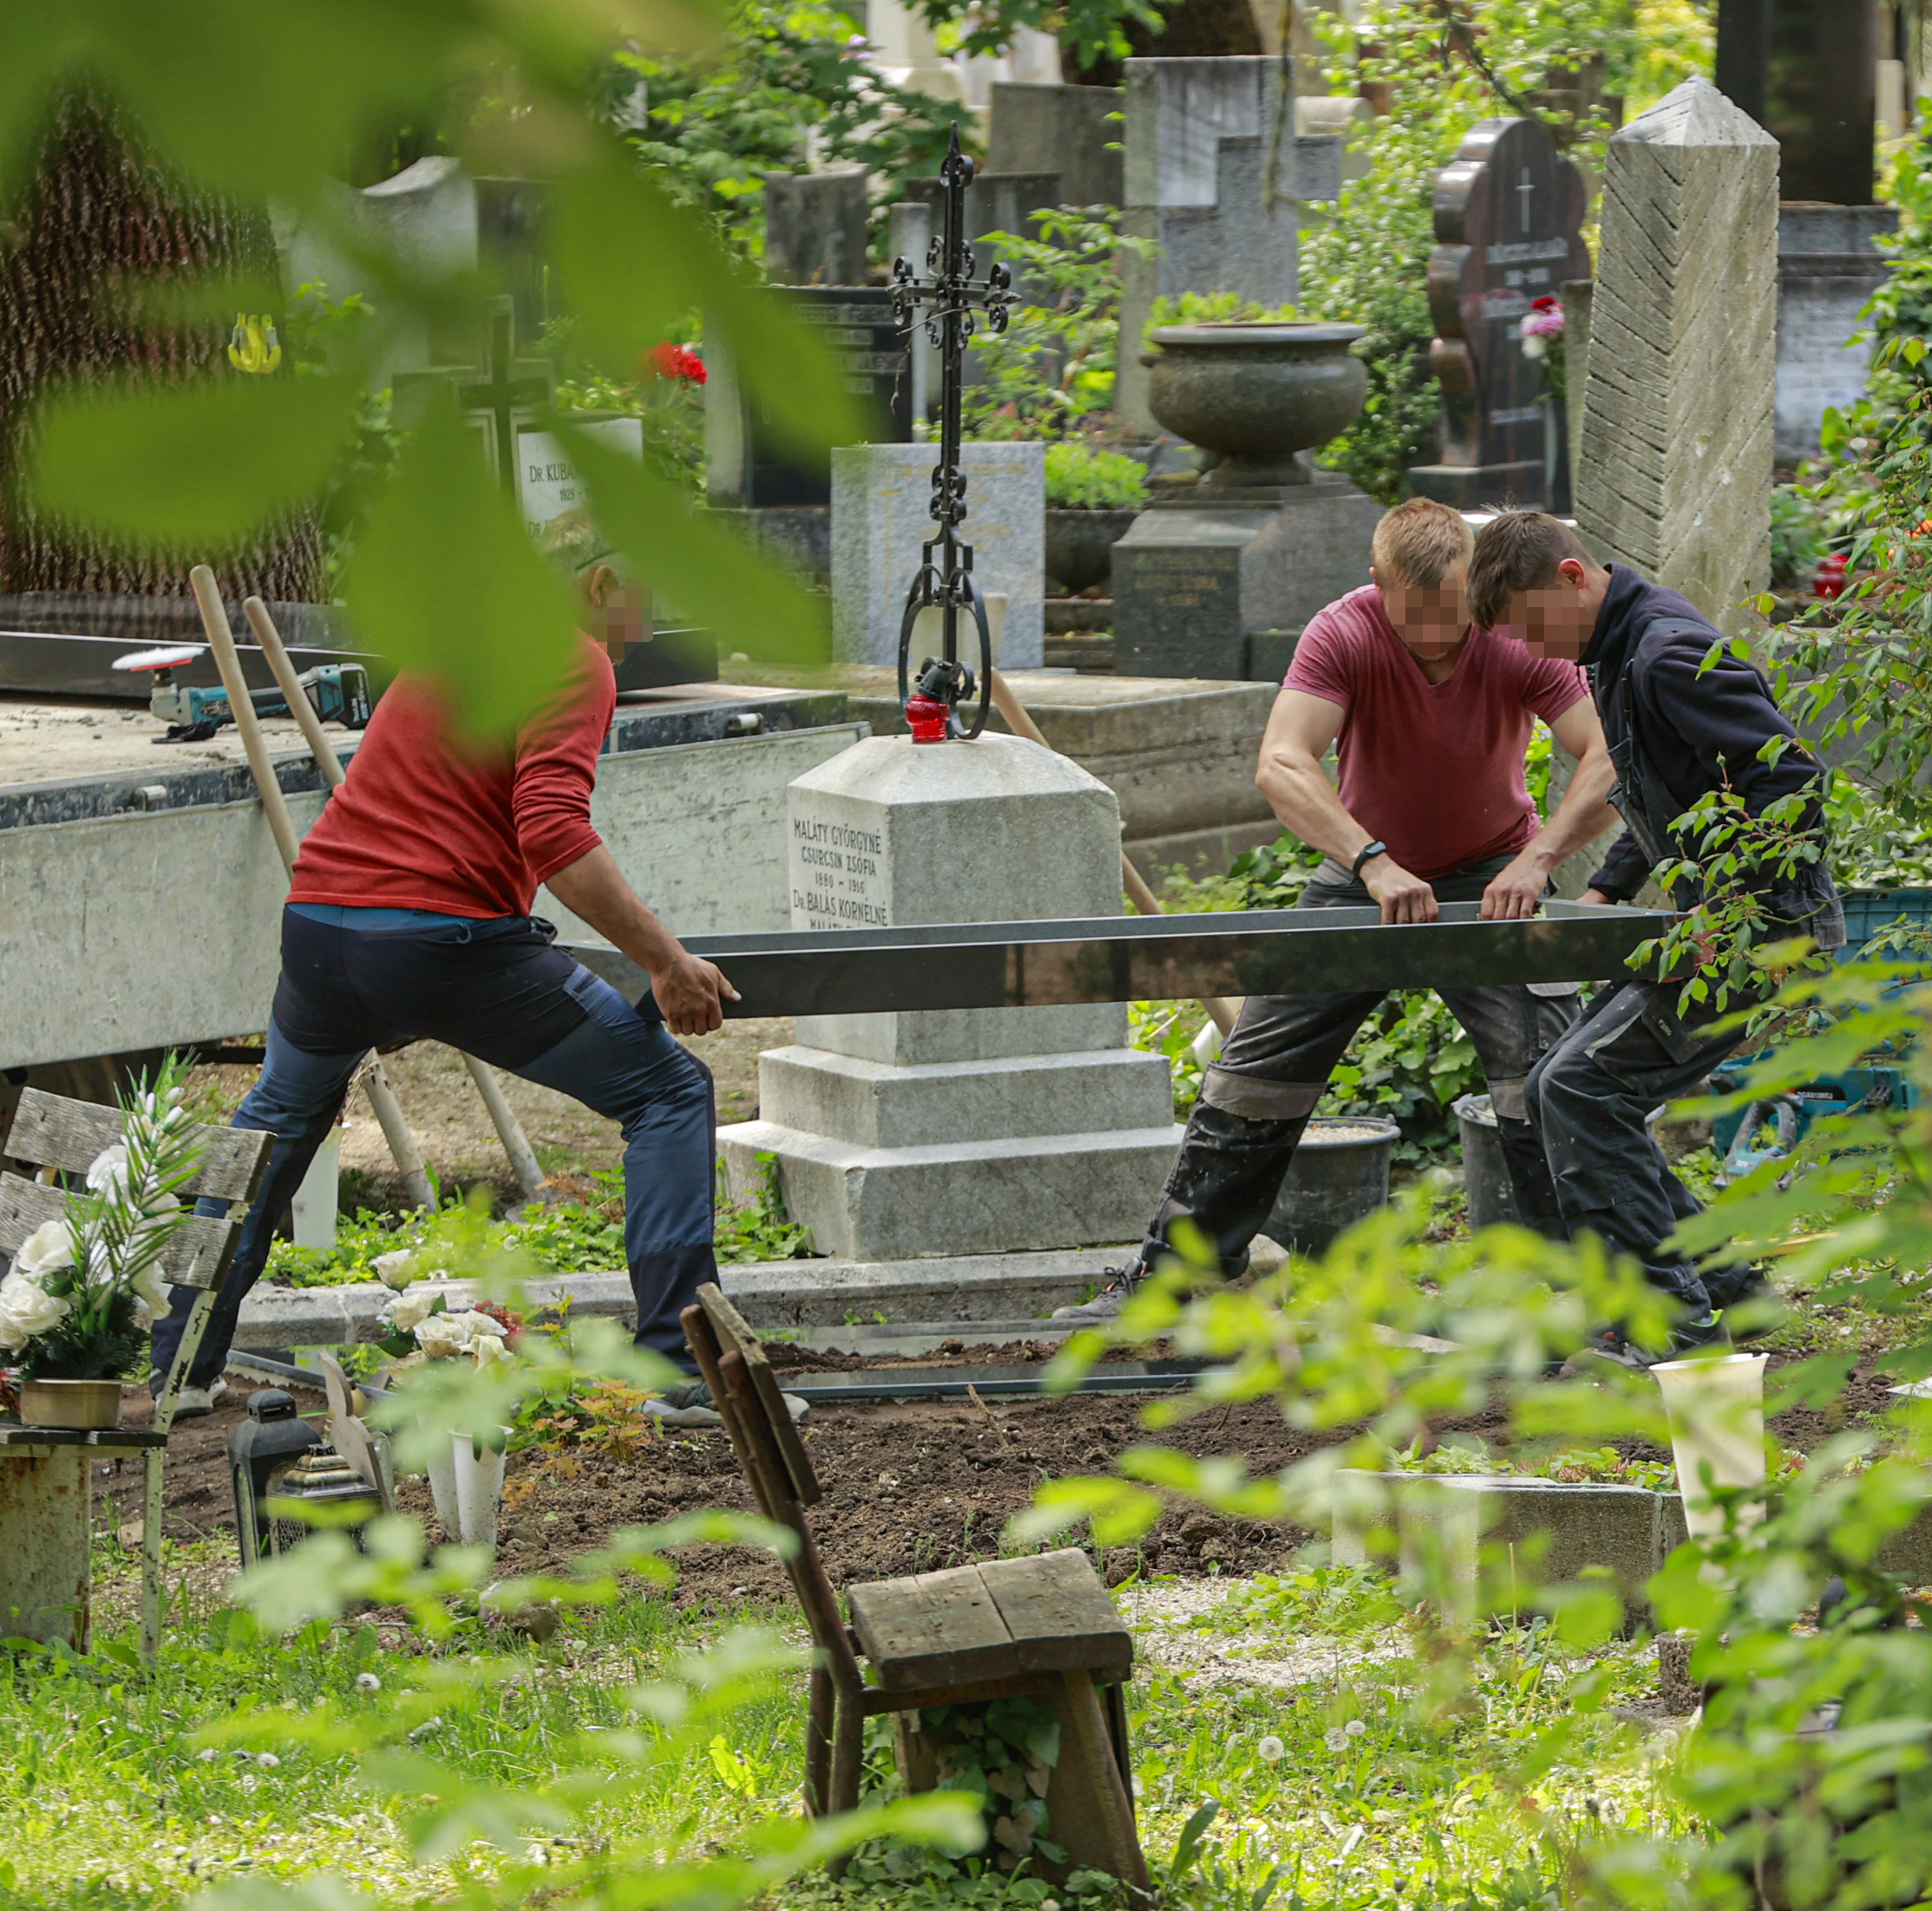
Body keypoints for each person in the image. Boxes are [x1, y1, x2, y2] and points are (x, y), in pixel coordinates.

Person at [150, 514, 736, 1418]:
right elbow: (555, 833)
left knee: (273, 1123)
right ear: (601, 582)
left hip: (319, 927)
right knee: (667, 1093)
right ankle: (682, 1371)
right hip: (436, 944)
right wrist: (665, 962)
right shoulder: (573, 659)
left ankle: (175, 1368)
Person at [1053, 496, 1621, 1324]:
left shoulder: (1505, 633)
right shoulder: (1343, 631)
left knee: (1545, 1083)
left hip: (1494, 874)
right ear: (1376, 586)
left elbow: (1608, 751)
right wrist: (1371, 861)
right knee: (1252, 1077)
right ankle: (1178, 1276)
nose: (1435, 632)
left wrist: (1539, 859)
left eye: (1450, 611)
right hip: (1364, 878)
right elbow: (1282, 762)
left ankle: (1601, 1297)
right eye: (1412, 613)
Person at [1465, 512, 1843, 1366]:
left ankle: (1676, 1329)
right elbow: (1669, 783)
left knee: (1577, 1090)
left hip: (1764, 932)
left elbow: (1791, 785)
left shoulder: (1663, 653)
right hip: (1724, 923)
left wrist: (1735, 909)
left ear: (1570, 577)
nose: (1530, 651)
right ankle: (1729, 1298)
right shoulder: (1616, 648)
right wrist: (1608, 883)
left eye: (1528, 626)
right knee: (1573, 1085)